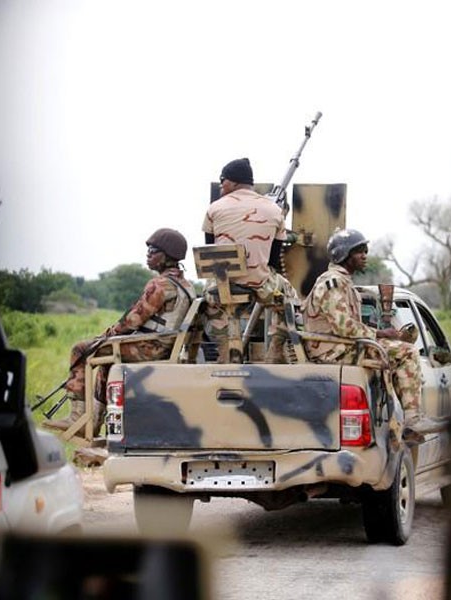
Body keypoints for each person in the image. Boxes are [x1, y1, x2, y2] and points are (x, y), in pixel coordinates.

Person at [45, 228, 196, 434]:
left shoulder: (160, 285)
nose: (148, 254)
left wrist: (107, 335)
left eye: (153, 250)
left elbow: (132, 320)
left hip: (149, 347)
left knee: (80, 349)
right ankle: (93, 423)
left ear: (167, 256)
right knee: (105, 363)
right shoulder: (186, 285)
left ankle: (77, 417)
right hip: (161, 345)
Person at [301, 228, 426, 438]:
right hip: (334, 351)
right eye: (359, 251)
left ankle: (406, 424)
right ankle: (413, 421)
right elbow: (344, 327)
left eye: (365, 251)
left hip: (341, 347)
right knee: (406, 352)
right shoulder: (333, 283)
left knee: (397, 352)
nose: (364, 256)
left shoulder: (343, 283)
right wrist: (381, 334)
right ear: (344, 255)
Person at [201, 157, 300, 362]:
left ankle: (226, 351)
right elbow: (274, 259)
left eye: (223, 180)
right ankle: (275, 349)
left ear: (234, 182)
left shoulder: (214, 209)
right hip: (260, 285)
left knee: (208, 301)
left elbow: (210, 252)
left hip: (221, 286)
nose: (221, 185)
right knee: (289, 296)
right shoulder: (274, 210)